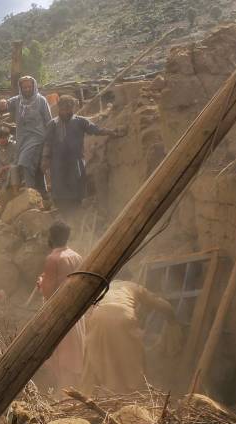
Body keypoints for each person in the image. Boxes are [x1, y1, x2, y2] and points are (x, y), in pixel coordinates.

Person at [80, 280, 177, 394]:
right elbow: (159, 303)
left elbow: (86, 314)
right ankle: (132, 394)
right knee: (133, 361)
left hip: (97, 317)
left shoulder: (102, 288)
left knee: (94, 358)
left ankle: (90, 394)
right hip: (124, 317)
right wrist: (172, 320)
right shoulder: (132, 286)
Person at [42, 95, 122, 210]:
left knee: (76, 186)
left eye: (68, 109)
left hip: (76, 160)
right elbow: (47, 143)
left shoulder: (80, 121)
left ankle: (77, 211)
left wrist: (111, 132)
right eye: (63, 109)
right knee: (59, 188)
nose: (65, 112)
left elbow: (96, 130)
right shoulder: (52, 124)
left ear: (72, 109)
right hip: (58, 162)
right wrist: (45, 158)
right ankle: (62, 210)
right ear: (59, 109)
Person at [35, 220, 85, 392]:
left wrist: (41, 282)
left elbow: (48, 292)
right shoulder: (76, 256)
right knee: (74, 355)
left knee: (62, 357)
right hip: (76, 311)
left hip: (58, 313)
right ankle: (72, 394)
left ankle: (65, 398)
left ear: (51, 237)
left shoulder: (53, 258)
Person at [0, 76, 52, 192]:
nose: (27, 89)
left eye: (29, 87)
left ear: (34, 87)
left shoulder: (41, 100)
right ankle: (43, 194)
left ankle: (31, 193)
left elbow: (48, 120)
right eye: (24, 87)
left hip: (38, 138)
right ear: (20, 88)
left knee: (25, 162)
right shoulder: (17, 100)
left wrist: (50, 140)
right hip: (22, 140)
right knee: (35, 167)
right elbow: (4, 105)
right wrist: (1, 103)